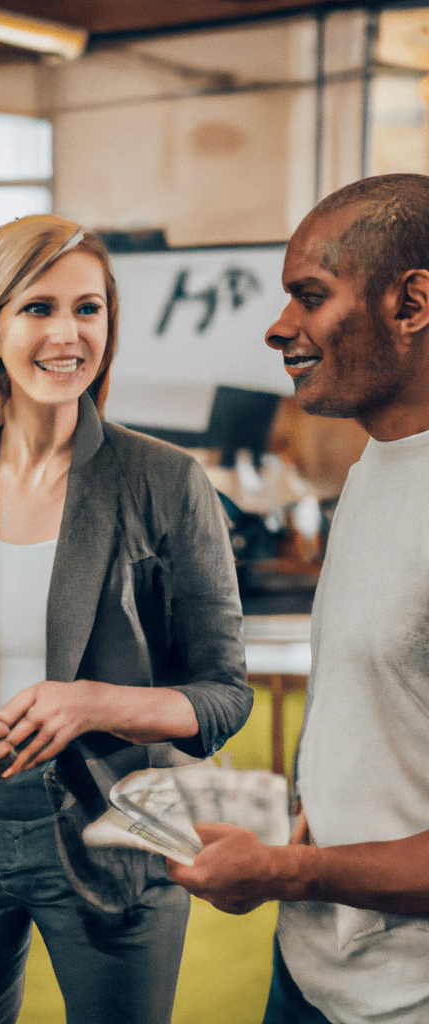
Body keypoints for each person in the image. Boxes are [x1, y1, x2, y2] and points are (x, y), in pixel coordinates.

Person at [0, 214, 252, 1024]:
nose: (68, 333)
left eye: (88, 309)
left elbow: (222, 697)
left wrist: (93, 703)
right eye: (38, 308)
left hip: (120, 827)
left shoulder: (166, 480)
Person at [166, 172, 429, 1024]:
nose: (280, 328)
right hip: (316, 970)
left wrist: (286, 872)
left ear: (412, 303)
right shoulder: (376, 464)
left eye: (309, 297)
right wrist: (300, 827)